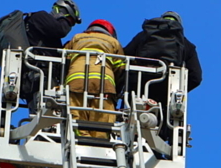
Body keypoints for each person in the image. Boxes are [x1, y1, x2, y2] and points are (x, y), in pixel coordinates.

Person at [0, 0, 81, 112]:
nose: (69, 26)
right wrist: (65, 20)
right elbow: (60, 30)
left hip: (38, 79)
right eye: (70, 21)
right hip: (37, 78)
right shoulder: (40, 17)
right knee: (44, 115)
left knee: (45, 118)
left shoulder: (46, 31)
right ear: (62, 11)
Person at [122, 11, 202, 139]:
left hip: (138, 87)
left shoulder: (143, 36)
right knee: (162, 124)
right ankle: (158, 145)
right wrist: (179, 90)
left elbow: (124, 58)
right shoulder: (186, 44)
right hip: (166, 89)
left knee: (135, 121)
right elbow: (196, 77)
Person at [62, 19, 124, 138]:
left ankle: (82, 138)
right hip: (104, 85)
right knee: (103, 121)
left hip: (76, 82)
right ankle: (100, 144)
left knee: (76, 118)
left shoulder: (77, 38)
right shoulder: (114, 42)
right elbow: (121, 68)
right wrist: (116, 92)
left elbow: (64, 60)